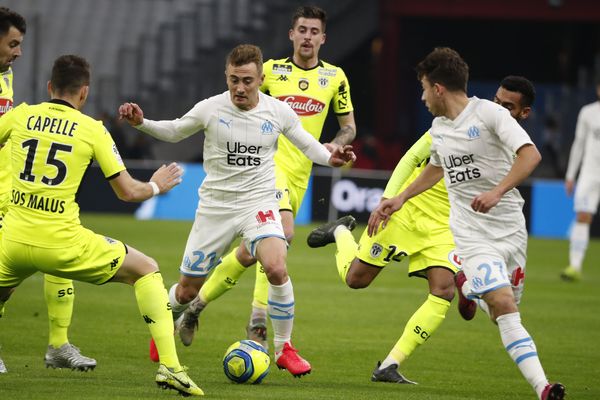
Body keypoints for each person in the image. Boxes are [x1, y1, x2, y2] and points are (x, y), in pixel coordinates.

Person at [118, 44, 355, 377]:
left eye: (247, 81)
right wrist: (142, 123)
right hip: (216, 206)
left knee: (275, 265)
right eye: (233, 80)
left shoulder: (278, 111)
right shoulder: (210, 108)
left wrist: (333, 157)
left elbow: (309, 146)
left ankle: (284, 348)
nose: (240, 88)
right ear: (226, 77)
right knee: (187, 290)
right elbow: (174, 130)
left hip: (258, 201)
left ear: (260, 78)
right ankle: (167, 319)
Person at [305, 74, 537, 384]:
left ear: (524, 113)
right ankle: (341, 232)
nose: (499, 109)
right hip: (409, 211)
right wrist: (390, 198)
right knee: (356, 280)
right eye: (497, 102)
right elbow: (413, 157)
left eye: (508, 106)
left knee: (442, 291)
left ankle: (389, 364)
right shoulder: (455, 123)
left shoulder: (515, 145)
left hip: (445, 225)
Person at [0, 55, 203, 396]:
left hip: (12, 241)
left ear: (50, 87)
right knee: (146, 270)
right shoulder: (92, 129)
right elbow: (128, 192)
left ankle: (56, 345)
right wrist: (157, 185)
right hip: (63, 245)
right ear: (84, 94)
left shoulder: (20, 114)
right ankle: (171, 368)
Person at [368, 48, 564, 399]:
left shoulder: (489, 114)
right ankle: (544, 388)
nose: (423, 96)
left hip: (510, 230)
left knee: (503, 309)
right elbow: (437, 167)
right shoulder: (440, 129)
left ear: (439, 88)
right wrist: (400, 198)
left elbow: (530, 154)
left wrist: (498, 191)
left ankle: (469, 284)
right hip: (471, 235)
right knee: (503, 303)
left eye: (425, 88)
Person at [173, 5, 356, 353]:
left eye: (314, 31)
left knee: (248, 253)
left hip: (301, 174)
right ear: (291, 34)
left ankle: (195, 307)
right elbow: (235, 101)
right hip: (268, 171)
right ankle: (258, 321)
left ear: (323, 38)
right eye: (301, 29)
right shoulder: (269, 71)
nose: (307, 36)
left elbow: (349, 127)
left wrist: (336, 144)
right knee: (282, 236)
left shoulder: (335, 77)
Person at [0, 6, 95, 374]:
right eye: (12, 44)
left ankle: (58, 345)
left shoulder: (5, 77)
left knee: (58, 253)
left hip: (13, 194)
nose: (18, 52)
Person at [561, 80, 600, 281]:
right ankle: (574, 266)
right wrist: (570, 175)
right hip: (591, 173)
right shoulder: (588, 112)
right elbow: (579, 143)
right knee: (583, 216)